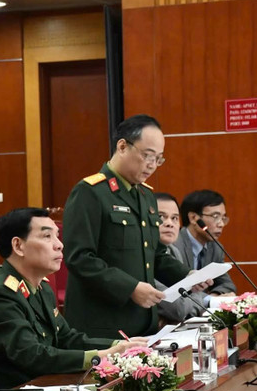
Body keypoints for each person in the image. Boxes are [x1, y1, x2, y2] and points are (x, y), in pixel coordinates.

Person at [0, 208, 143, 388]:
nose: (59, 245)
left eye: (57, 236)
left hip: (44, 385)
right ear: (18, 246)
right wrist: (101, 356)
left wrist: (120, 346)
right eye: (47, 236)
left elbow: (66, 338)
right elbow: (32, 355)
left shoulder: (40, 285)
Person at [62, 114, 191, 338]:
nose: (152, 165)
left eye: (159, 159)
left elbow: (156, 254)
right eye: (147, 155)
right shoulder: (90, 192)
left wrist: (188, 276)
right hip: (104, 324)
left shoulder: (146, 195)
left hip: (144, 322)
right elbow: (80, 257)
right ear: (122, 146)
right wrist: (130, 288)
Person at [154, 193, 207, 322]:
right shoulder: (147, 256)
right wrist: (194, 300)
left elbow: (191, 299)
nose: (169, 224)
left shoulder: (174, 251)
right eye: (161, 217)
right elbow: (178, 309)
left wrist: (193, 298)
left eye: (174, 218)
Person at [177, 189, 236, 295]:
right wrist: (208, 301)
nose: (221, 224)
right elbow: (176, 290)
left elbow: (226, 284)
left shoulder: (215, 248)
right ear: (193, 218)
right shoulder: (175, 245)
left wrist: (216, 295)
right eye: (215, 217)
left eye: (223, 218)